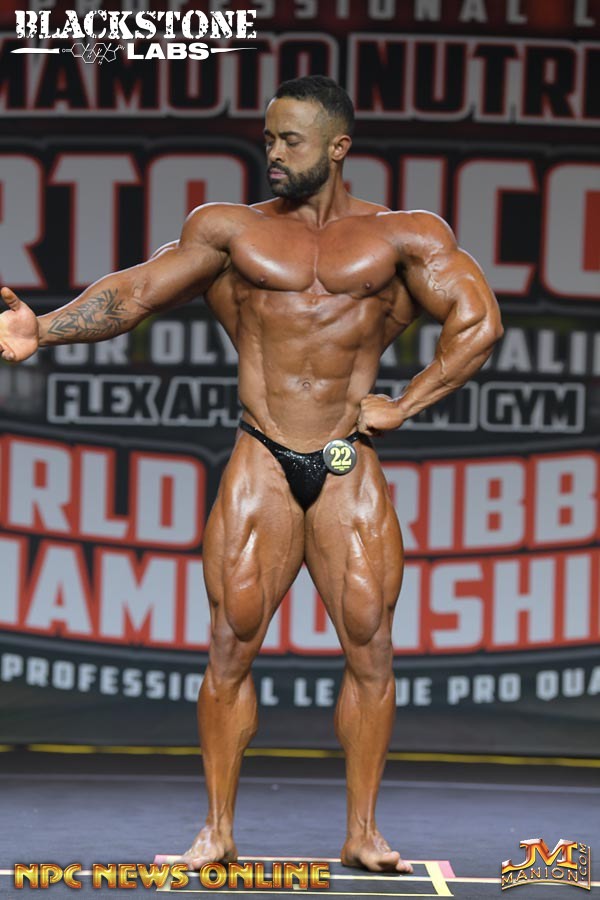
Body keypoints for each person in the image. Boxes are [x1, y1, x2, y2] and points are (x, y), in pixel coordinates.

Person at [0, 75, 502, 874]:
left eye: (290, 140)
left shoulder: (404, 236)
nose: (273, 152)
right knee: (230, 645)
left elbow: (478, 321)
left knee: (370, 647)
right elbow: (136, 293)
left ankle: (363, 832)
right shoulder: (230, 230)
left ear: (338, 147)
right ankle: (217, 830)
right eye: (268, 138)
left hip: (345, 459)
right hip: (261, 456)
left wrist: (407, 403)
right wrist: (45, 329)